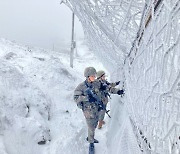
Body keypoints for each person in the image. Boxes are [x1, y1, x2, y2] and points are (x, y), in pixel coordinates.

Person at [74, 67, 101, 146]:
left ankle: (90, 137)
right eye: (93, 76)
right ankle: (91, 141)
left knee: (95, 123)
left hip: (96, 108)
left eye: (95, 76)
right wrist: (87, 98)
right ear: (88, 76)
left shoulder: (96, 83)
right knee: (91, 126)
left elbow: (104, 87)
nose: (94, 77)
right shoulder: (81, 86)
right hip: (88, 110)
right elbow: (76, 98)